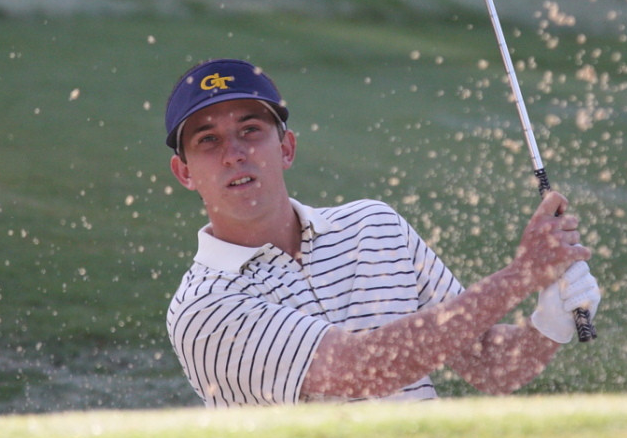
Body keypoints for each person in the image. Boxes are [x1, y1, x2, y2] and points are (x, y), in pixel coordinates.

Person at [163, 58, 601, 407]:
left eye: (250, 131)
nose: (234, 154)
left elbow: (492, 365)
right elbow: (363, 368)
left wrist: (548, 324)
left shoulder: (375, 225)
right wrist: (521, 277)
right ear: (184, 173)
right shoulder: (203, 307)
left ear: (287, 148)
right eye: (208, 141)